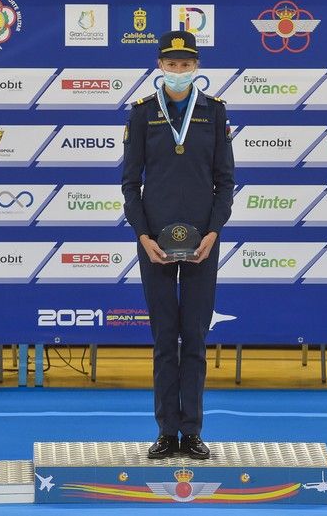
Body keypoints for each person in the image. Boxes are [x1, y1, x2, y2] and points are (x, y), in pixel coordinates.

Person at [122, 31, 235, 460]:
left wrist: (213, 232)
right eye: (172, 64)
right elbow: (130, 184)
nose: (179, 71)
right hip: (154, 244)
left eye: (186, 65)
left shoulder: (214, 112)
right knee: (164, 337)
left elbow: (225, 182)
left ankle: (192, 432)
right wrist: (144, 236)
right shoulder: (141, 114)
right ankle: (167, 431)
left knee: (195, 336)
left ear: (197, 67)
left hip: (204, 243)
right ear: (160, 66)